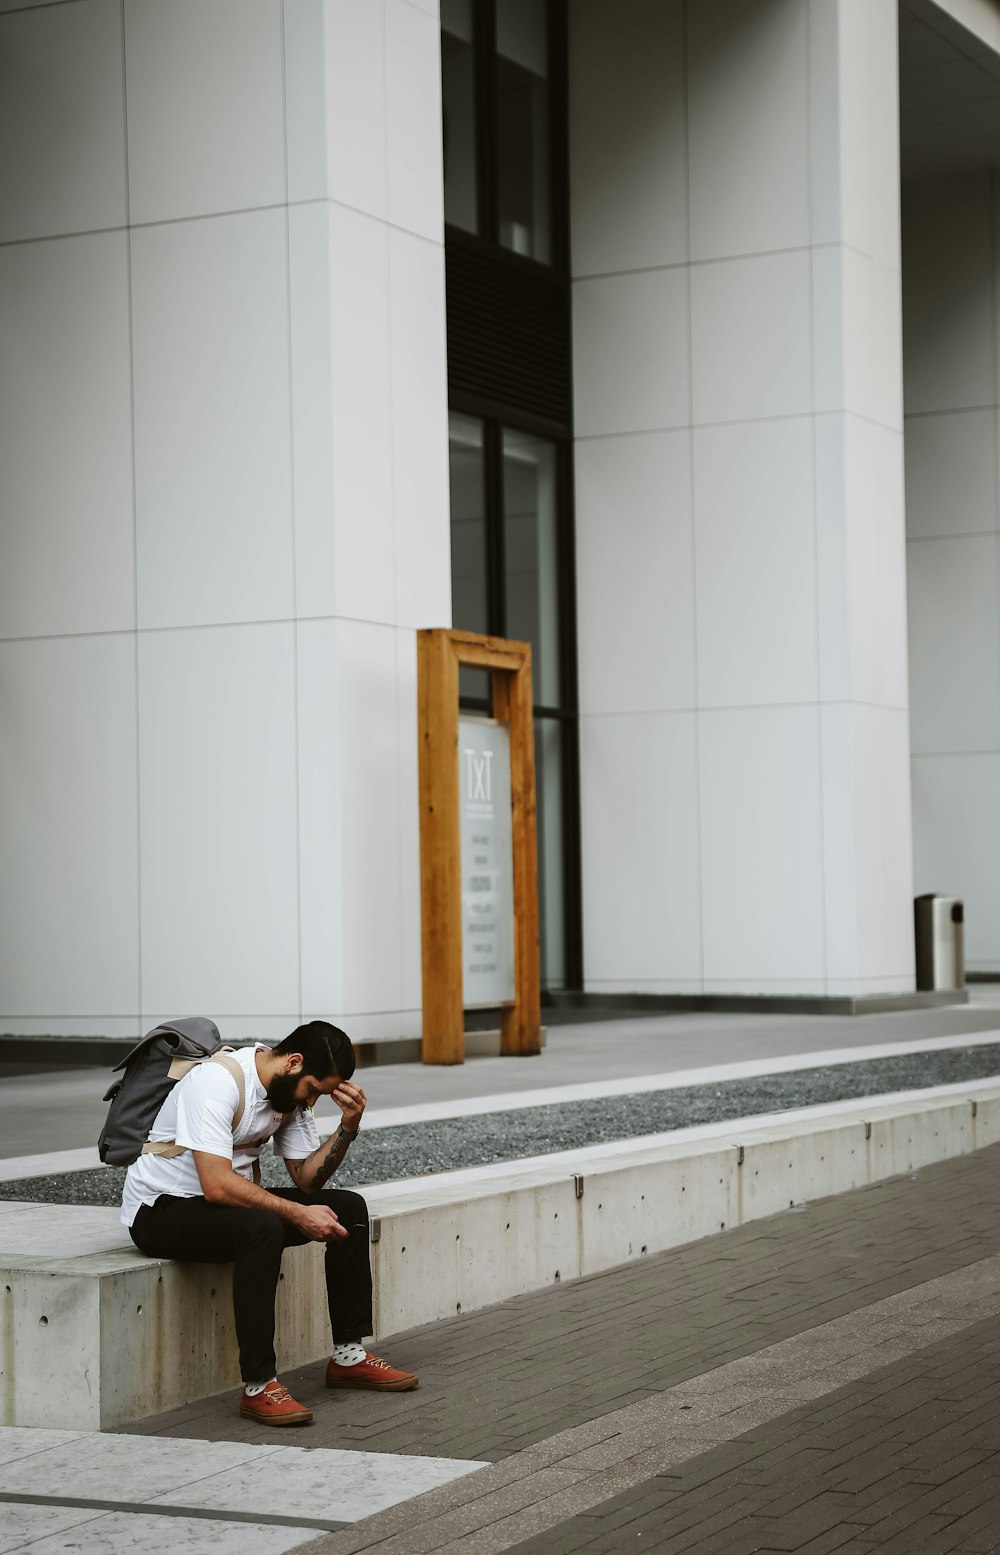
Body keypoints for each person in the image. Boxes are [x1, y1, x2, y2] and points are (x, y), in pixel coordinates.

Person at [122, 1019, 417, 1425]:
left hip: (220, 1206)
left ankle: (349, 1356)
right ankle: (259, 1385)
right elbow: (216, 1185)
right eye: (314, 1090)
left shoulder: (288, 1097)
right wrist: (296, 1213)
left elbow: (308, 1181)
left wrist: (348, 1127)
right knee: (264, 1227)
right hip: (161, 1211)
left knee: (348, 1208)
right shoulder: (217, 1083)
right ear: (293, 1062)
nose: (313, 1102)